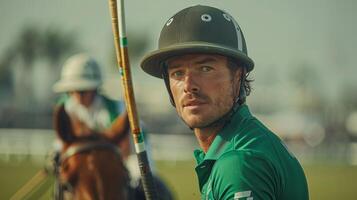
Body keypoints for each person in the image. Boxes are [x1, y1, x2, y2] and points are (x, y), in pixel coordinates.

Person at [141, 5, 309, 200]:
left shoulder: (239, 163)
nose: (189, 85)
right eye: (177, 73)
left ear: (237, 78)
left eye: (205, 68)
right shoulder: (245, 143)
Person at [53, 53, 173, 200]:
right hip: (101, 151)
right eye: (72, 91)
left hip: (132, 147)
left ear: (95, 88)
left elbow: (122, 147)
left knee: (142, 182)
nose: (77, 96)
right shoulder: (66, 107)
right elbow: (63, 143)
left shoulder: (114, 110)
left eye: (83, 91)